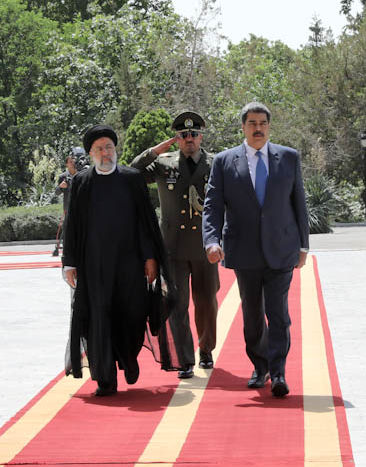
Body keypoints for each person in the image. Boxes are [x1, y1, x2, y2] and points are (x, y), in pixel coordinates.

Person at [202, 102, 309, 398]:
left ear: (269, 126)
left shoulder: (288, 158)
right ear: (243, 127)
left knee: (278, 313)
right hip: (244, 250)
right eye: (252, 123)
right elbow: (212, 206)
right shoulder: (224, 162)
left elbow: (299, 202)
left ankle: (278, 373)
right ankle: (259, 366)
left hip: (281, 248)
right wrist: (212, 240)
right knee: (251, 315)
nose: (258, 128)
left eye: (262, 123)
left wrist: (303, 244)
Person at [62, 125, 175, 396]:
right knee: (99, 318)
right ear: (90, 153)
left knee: (132, 313)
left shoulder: (131, 178)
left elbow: (145, 222)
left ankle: (129, 358)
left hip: (130, 263)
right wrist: (69, 263)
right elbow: (72, 226)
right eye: (99, 149)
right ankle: (105, 377)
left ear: (116, 150)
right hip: (94, 266)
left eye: (109, 147)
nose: (105, 153)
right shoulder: (81, 183)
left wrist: (150, 258)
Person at [132, 111, 219, 380]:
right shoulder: (163, 163)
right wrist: (157, 149)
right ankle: (184, 359)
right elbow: (134, 172)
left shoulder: (216, 163)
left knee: (206, 303)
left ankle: (206, 349)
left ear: (201, 136)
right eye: (182, 135)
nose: (189, 139)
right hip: (173, 248)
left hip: (205, 248)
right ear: (176, 139)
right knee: (176, 303)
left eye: (193, 134)